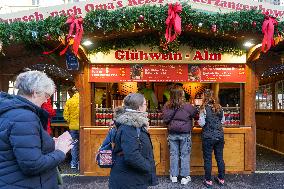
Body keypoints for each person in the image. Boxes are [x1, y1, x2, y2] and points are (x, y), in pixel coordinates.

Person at [0, 70, 73, 189]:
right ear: (35, 93)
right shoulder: (24, 117)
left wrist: (46, 143)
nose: (46, 100)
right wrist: (60, 151)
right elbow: (32, 165)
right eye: (46, 95)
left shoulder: (11, 111)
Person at [109, 93, 158, 189]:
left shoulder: (134, 123)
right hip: (128, 180)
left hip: (131, 177)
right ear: (139, 107)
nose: (146, 107)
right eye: (145, 104)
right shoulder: (129, 126)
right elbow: (132, 155)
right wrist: (148, 167)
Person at [162, 86, 197, 185]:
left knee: (174, 154)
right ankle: (184, 177)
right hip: (184, 134)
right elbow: (195, 113)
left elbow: (164, 119)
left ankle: (174, 176)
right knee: (184, 155)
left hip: (172, 133)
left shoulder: (166, 106)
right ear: (181, 94)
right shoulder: (187, 106)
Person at [198, 89, 225, 188]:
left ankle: (208, 181)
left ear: (205, 97)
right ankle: (221, 179)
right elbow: (222, 121)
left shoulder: (204, 108)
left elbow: (201, 123)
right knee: (220, 158)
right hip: (219, 136)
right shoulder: (220, 107)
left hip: (208, 137)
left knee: (208, 159)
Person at [63, 86, 80, 169]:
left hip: (73, 127)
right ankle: (82, 163)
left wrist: (70, 121)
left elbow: (65, 116)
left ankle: (74, 163)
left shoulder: (69, 101)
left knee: (74, 145)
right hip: (82, 127)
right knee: (83, 145)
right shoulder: (84, 101)